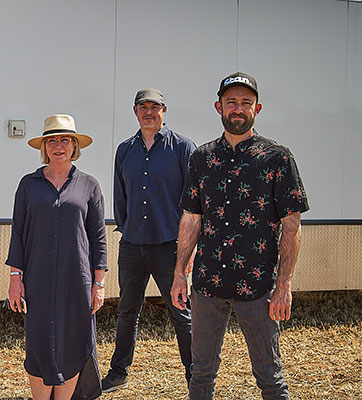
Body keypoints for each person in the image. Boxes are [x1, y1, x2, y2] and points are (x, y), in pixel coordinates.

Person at [171, 72, 307, 400]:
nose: (238, 108)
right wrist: (179, 273)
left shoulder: (277, 157)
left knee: (269, 375)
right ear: (218, 106)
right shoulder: (202, 158)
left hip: (258, 284)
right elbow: (191, 219)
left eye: (245, 102)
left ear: (257, 109)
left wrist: (283, 285)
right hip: (208, 282)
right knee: (201, 372)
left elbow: (292, 225)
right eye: (231, 101)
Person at [6, 114, 107, 400]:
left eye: (65, 139)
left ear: (75, 146)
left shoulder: (89, 185)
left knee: (72, 343)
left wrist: (98, 285)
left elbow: (98, 239)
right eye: (52, 140)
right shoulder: (29, 184)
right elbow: (19, 234)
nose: (58, 145)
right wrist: (15, 278)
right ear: (44, 147)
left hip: (77, 280)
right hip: (37, 279)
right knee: (38, 343)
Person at [102, 88, 196, 392]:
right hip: (132, 244)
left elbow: (195, 201)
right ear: (135, 112)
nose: (148, 112)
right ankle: (118, 373)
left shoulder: (182, 148)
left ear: (164, 111)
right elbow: (121, 194)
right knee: (127, 310)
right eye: (143, 107)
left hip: (170, 246)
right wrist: (127, 227)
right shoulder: (125, 150)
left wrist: (190, 249)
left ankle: (196, 376)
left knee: (181, 313)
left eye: (154, 107)